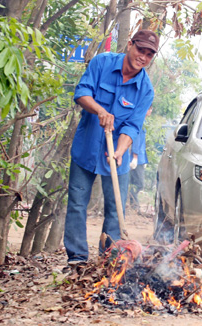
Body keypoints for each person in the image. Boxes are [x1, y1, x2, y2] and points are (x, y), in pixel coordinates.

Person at [63, 30, 159, 268]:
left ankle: (109, 261)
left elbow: (133, 126)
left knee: (115, 210)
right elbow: (81, 93)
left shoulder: (145, 89)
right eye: (140, 50)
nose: (143, 57)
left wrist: (119, 151)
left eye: (149, 54)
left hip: (117, 156)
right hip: (86, 148)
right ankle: (76, 259)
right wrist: (101, 111)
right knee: (76, 203)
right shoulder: (102, 62)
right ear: (130, 45)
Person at [129, 107, 152, 211]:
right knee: (139, 183)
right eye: (150, 109)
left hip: (140, 158)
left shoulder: (143, 121)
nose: (151, 111)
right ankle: (133, 204)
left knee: (133, 182)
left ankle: (133, 204)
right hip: (136, 158)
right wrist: (135, 157)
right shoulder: (140, 121)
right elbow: (137, 140)